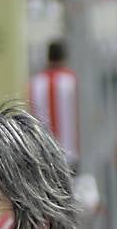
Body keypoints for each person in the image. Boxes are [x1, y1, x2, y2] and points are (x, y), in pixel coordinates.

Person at [29, 40, 80, 168]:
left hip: (43, 152)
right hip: (71, 153)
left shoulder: (35, 82)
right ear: (65, 57)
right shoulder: (72, 80)